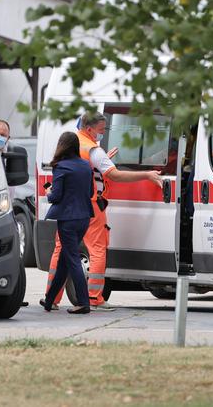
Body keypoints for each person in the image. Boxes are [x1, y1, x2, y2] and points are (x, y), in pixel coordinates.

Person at [44, 113, 162, 311]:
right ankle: (93, 297)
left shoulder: (74, 144)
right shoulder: (93, 151)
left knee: (61, 251)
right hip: (91, 207)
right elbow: (114, 175)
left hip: (67, 211)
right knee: (97, 250)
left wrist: (104, 160)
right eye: (100, 130)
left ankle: (52, 298)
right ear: (89, 129)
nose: (102, 134)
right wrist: (147, 174)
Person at [40, 132, 94, 314]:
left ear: (61, 145)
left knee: (72, 260)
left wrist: (49, 193)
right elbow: (91, 191)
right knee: (65, 259)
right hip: (84, 217)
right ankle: (49, 300)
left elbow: (56, 196)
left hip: (68, 220)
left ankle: (83, 302)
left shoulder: (61, 167)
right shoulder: (86, 166)